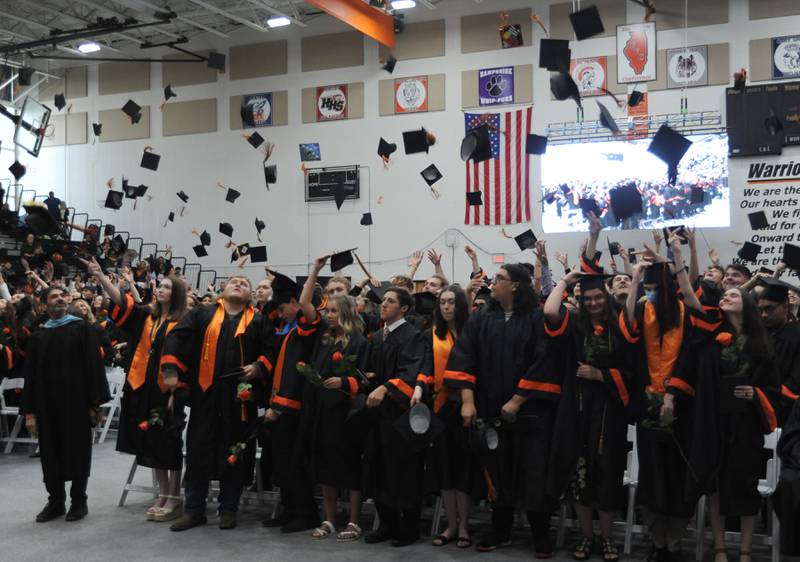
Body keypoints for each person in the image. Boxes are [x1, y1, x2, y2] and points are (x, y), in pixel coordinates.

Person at [444, 264, 552, 556]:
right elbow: (465, 358)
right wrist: (467, 401)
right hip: (491, 409)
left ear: (516, 285)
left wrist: (517, 401)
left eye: (500, 279)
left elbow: (543, 362)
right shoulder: (482, 318)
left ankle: (541, 532)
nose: (493, 282)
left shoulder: (535, 318)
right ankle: (500, 528)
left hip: (530, 413)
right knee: (496, 470)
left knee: (532, 472)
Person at [666, 287, 780, 562]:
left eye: (734, 295)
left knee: (746, 487)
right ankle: (719, 548)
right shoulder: (710, 338)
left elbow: (774, 388)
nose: (726, 297)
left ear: (748, 306)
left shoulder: (760, 343)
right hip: (712, 421)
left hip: (746, 425)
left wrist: (755, 394)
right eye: (724, 295)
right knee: (714, 485)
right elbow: (690, 369)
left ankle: (745, 550)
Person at [623, 235, 713, 562]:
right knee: (652, 479)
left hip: (681, 409)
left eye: (653, 287)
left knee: (676, 480)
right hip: (649, 408)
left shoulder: (685, 313)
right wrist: (634, 276)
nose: (651, 292)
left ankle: (674, 544)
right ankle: (657, 542)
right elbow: (626, 322)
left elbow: (691, 353)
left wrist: (677, 255)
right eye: (648, 287)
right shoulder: (643, 312)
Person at [161, 275, 272, 531]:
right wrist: (171, 371)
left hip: (239, 399)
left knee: (234, 452)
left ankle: (228, 509)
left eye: (245, 283)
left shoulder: (257, 320)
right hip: (205, 395)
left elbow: (271, 351)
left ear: (250, 295)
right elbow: (176, 337)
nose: (239, 284)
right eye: (234, 281)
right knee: (199, 451)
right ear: (222, 289)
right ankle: (194, 510)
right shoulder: (202, 314)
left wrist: (258, 367)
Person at [543, 271, 636, 562]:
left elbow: (634, 372)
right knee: (580, 477)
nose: (594, 302)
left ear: (607, 298)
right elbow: (549, 310)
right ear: (581, 302)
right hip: (579, 409)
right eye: (588, 299)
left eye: (599, 297)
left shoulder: (620, 328)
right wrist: (567, 282)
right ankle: (586, 536)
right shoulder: (575, 328)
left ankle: (607, 539)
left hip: (610, 412)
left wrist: (601, 374)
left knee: (607, 476)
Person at [85, 257, 188, 522]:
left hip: (169, 390)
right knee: (153, 441)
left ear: (175, 293)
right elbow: (122, 302)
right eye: (160, 286)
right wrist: (100, 277)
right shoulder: (146, 316)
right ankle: (162, 492)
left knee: (169, 441)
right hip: (144, 387)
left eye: (166, 287)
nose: (160, 290)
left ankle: (175, 495)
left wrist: (177, 392)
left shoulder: (186, 322)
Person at [20, 286, 110, 522]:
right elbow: (29, 376)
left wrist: (94, 403)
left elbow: (94, 366)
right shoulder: (38, 336)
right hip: (45, 405)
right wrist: (30, 412)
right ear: (44, 305)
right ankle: (56, 501)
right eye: (53, 296)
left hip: (77, 403)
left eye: (63, 295)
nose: (60, 298)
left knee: (78, 450)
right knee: (50, 453)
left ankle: (79, 501)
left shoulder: (83, 329)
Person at [298, 256, 370, 541]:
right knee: (326, 467)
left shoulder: (360, 342)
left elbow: (364, 380)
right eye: (327, 312)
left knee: (350, 466)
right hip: (324, 411)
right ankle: (329, 519)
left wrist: (343, 382)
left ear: (346, 313)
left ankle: (352, 520)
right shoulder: (325, 340)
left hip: (348, 413)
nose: (327, 315)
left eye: (332, 312)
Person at [260, 271, 322, 534]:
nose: (280, 313)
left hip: (294, 408)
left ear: (296, 304)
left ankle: (306, 513)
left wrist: (314, 272)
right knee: (282, 463)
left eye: (283, 307)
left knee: (296, 464)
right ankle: (289, 509)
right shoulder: (289, 332)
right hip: (280, 407)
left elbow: (294, 378)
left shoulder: (307, 330)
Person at [362, 286, 424, 548]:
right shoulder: (377, 337)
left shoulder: (413, 336)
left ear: (404, 308)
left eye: (390, 301)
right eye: (383, 300)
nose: (383, 304)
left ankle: (408, 528)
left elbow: (411, 372)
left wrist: (385, 387)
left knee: (403, 471)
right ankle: (386, 523)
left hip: (400, 415)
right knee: (378, 468)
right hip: (377, 415)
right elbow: (371, 371)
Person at [411, 284, 472, 548]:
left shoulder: (472, 332)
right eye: (443, 302)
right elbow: (426, 365)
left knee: (465, 471)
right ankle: (451, 525)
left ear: (459, 305)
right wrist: (418, 387)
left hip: (469, 406)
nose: (446, 306)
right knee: (446, 469)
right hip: (442, 407)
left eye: (451, 302)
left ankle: (465, 527)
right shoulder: (431, 334)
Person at [756, 279, 800, 422]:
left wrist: (771, 399)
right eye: (761, 309)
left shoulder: (796, 335)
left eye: (769, 309)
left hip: (783, 410)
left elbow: (796, 378)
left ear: (785, 307)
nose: (763, 314)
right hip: (754, 407)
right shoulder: (757, 335)